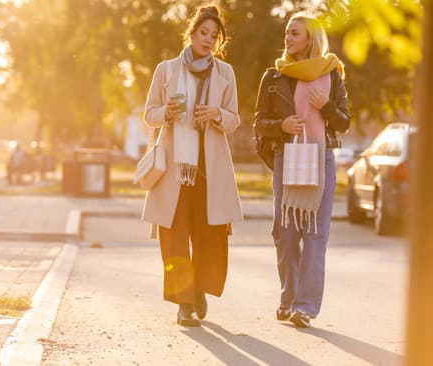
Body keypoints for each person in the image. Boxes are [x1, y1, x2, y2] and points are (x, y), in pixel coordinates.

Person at [141, 4, 243, 327]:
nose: (209, 40)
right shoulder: (166, 70)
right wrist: (166, 113)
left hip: (209, 170)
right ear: (192, 32)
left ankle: (198, 287)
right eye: (204, 33)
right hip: (174, 168)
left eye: (215, 36)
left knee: (210, 235)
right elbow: (149, 115)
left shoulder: (225, 73)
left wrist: (216, 115)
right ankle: (184, 304)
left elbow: (234, 119)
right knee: (174, 236)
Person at [254, 13, 350, 328]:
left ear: (309, 38)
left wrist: (326, 107)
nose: (288, 38)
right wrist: (281, 126)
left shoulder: (332, 73)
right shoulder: (274, 76)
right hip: (288, 156)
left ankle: (305, 307)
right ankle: (289, 297)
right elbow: (259, 124)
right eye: (287, 33)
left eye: (294, 33)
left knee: (314, 234)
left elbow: (343, 122)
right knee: (284, 233)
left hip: (321, 159)